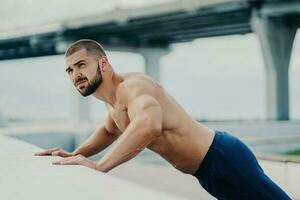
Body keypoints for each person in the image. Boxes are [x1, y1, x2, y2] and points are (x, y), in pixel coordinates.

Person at [35, 39, 291, 199]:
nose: (75, 74)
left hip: (223, 159)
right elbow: (108, 130)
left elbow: (148, 125)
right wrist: (75, 153)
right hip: (208, 173)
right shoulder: (112, 104)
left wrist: (100, 166)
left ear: (103, 63)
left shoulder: (132, 88)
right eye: (69, 70)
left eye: (81, 65)